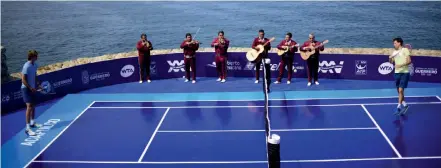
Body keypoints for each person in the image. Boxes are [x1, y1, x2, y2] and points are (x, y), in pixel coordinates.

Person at [21, 50, 42, 136]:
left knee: (33, 105)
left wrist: (38, 84)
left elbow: (35, 76)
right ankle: (27, 128)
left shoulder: (35, 65)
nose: (37, 57)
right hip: (26, 89)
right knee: (29, 107)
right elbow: (23, 79)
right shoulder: (26, 66)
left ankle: (32, 123)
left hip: (33, 88)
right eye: (36, 56)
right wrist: (30, 88)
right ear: (32, 56)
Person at [389, 37, 411, 115]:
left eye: (395, 43)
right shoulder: (394, 52)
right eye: (393, 43)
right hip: (396, 73)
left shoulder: (405, 50)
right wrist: (390, 58)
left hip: (404, 73)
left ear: (399, 43)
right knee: (399, 91)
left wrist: (401, 65)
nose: (393, 44)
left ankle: (398, 107)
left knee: (401, 90)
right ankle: (405, 104)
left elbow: (409, 61)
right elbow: (391, 62)